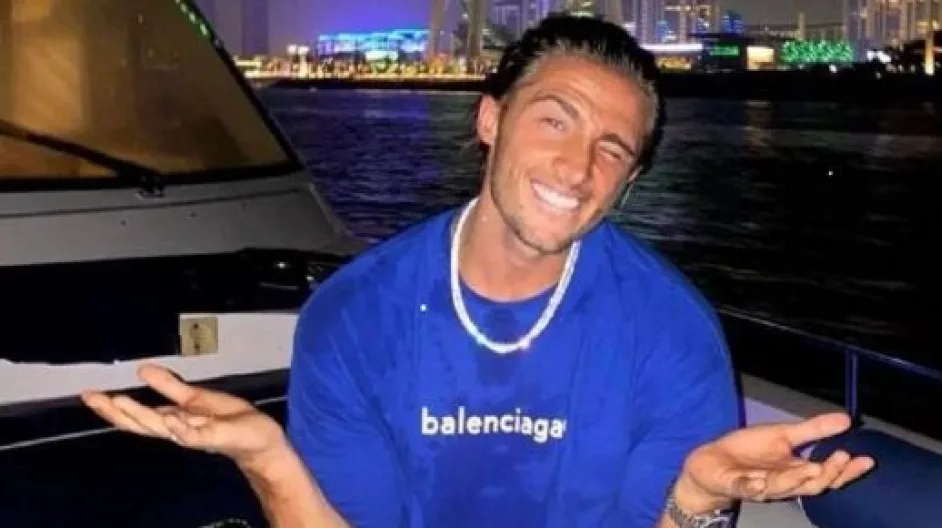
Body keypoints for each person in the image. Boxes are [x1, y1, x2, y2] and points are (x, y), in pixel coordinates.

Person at [81, 14, 874, 528]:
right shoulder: (356, 315)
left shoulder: (672, 333)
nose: (577, 168)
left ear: (629, 182)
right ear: (491, 118)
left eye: (612, 150)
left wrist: (692, 502)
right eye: (555, 120)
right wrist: (268, 458)